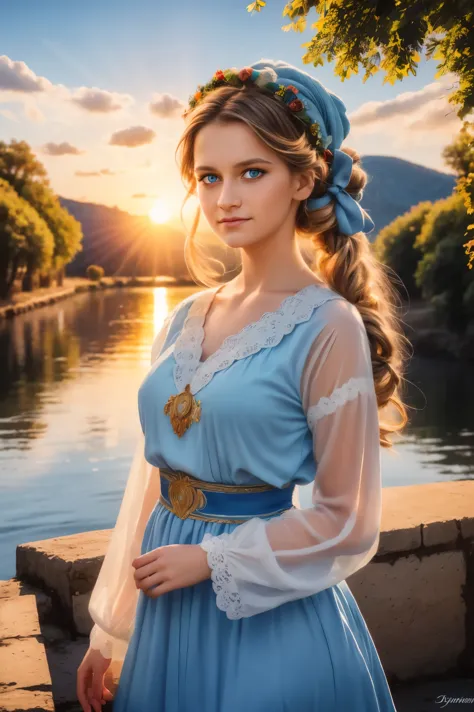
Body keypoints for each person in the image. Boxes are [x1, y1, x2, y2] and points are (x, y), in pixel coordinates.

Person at [77, 58, 410, 712]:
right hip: (164, 607)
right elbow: (152, 478)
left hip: (267, 616)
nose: (225, 198)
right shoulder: (184, 319)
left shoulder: (328, 325)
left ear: (300, 179)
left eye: (251, 172)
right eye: (209, 177)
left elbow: (348, 518)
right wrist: (112, 631)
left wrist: (211, 562)